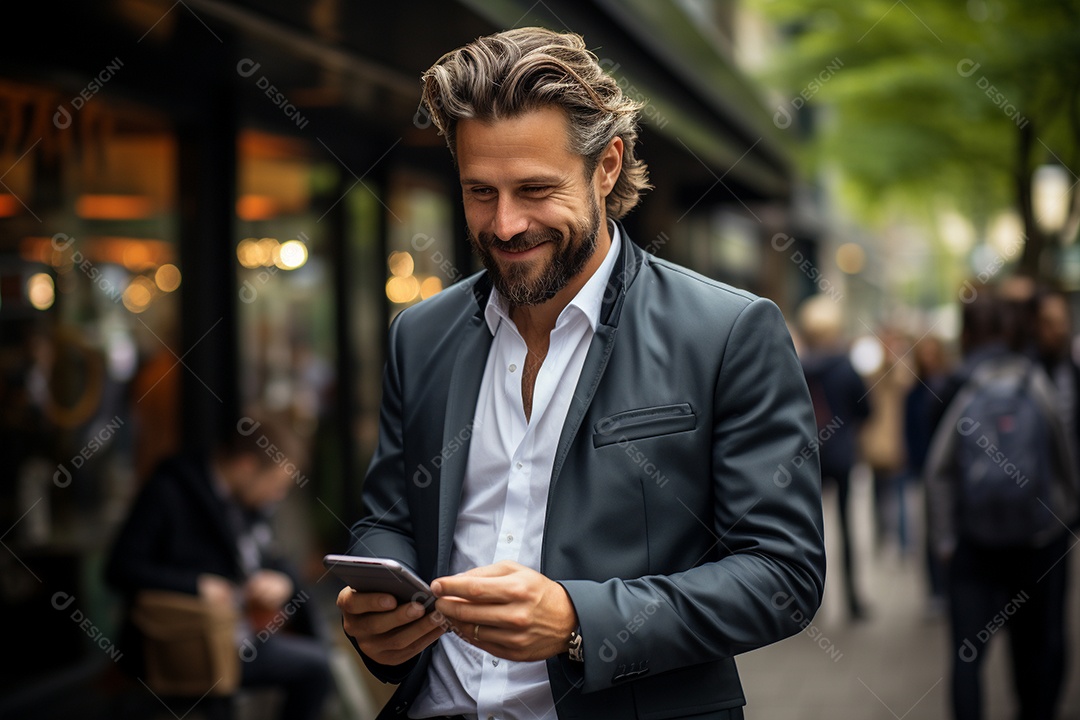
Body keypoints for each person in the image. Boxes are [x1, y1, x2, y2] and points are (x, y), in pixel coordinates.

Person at [335, 27, 826, 720]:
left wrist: (577, 621)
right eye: (481, 192)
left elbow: (783, 576)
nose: (505, 225)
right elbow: (388, 518)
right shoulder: (419, 335)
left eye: (535, 190)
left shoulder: (729, 333)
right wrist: (379, 612)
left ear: (606, 165)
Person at [105, 412, 332, 720]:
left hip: (233, 640)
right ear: (246, 467)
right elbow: (120, 569)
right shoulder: (169, 491)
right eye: (276, 485)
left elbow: (275, 559)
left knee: (318, 662)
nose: (277, 496)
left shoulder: (248, 504)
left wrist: (282, 584)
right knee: (316, 668)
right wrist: (198, 586)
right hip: (182, 647)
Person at [924, 287, 1078, 720]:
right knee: (1033, 651)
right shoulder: (1036, 383)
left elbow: (937, 472)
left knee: (967, 658)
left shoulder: (961, 388)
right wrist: (1063, 520)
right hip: (1036, 541)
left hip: (974, 547)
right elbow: (1063, 455)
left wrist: (944, 542)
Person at [796, 294, 872, 621]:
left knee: (808, 531)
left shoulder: (796, 365)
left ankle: (807, 601)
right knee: (846, 528)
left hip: (806, 457)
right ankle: (853, 600)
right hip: (841, 455)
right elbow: (865, 409)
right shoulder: (846, 366)